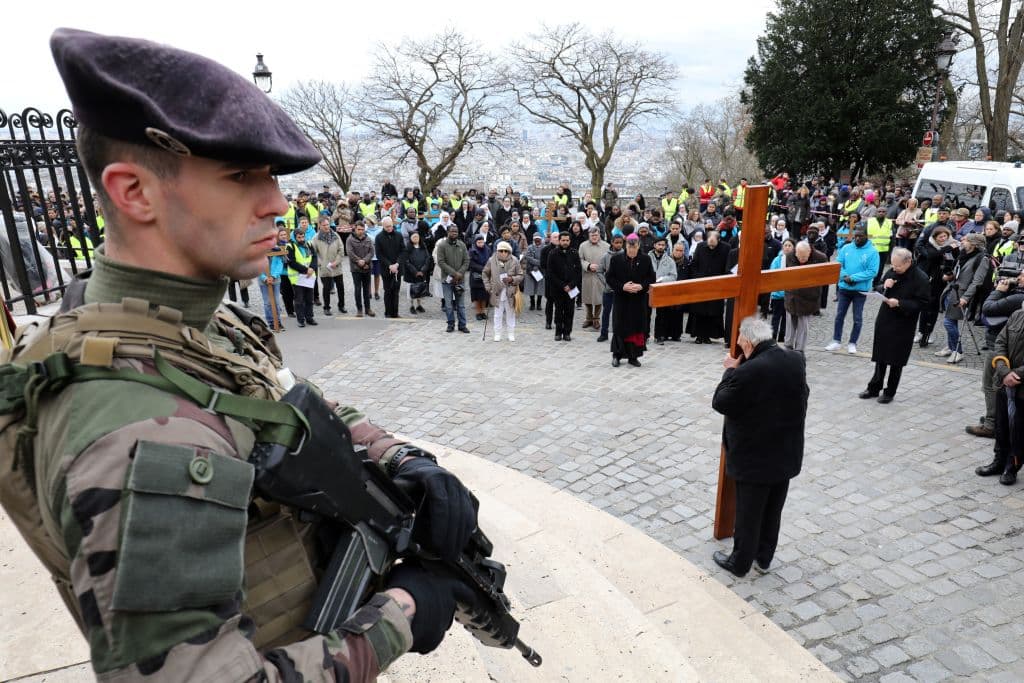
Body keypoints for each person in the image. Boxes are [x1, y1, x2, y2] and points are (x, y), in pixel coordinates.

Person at [2, 28, 476, 681]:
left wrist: (397, 456)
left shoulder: (186, 321)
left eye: (272, 176)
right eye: (240, 176)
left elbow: (283, 399)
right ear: (134, 191)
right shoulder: (138, 432)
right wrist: (399, 615)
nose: (277, 202)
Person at [711, 316, 808, 577]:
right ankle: (764, 558)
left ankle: (739, 562)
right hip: (786, 452)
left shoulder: (748, 372)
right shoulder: (795, 359)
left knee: (749, 513)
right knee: (773, 509)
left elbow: (721, 402)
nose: (739, 344)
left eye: (741, 340)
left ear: (748, 341)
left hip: (755, 458)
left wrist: (730, 370)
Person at [858, 248, 930, 403]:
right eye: (893, 265)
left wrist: (900, 303)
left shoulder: (921, 278)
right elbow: (877, 288)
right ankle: (874, 388)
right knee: (880, 356)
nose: (895, 269)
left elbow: (923, 303)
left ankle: (890, 392)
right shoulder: (892, 271)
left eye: (898, 266)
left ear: (908, 262)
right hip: (885, 318)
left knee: (896, 359)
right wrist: (884, 285)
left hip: (904, 322)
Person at [977, 306, 1024, 485]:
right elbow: (1000, 342)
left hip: (1020, 386)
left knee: (1019, 429)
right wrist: (1004, 372)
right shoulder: (1017, 315)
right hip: (1005, 383)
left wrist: (1017, 375)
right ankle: (998, 461)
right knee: (1002, 425)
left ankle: (1012, 466)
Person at [937, 232, 990, 364]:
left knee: (948, 322)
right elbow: (958, 272)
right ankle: (950, 347)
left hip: (963, 293)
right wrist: (949, 276)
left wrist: (966, 298)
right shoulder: (963, 255)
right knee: (951, 321)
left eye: (965, 239)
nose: (962, 241)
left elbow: (977, 281)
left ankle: (957, 351)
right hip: (952, 290)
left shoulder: (982, 258)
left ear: (973, 243)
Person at [826, 226, 879, 354]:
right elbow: (838, 264)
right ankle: (836, 341)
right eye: (856, 236)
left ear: (866, 236)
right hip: (844, 288)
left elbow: (872, 271)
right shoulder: (846, 248)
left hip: (860, 291)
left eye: (860, 236)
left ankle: (852, 343)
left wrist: (853, 278)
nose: (857, 238)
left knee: (857, 318)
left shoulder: (873, 252)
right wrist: (844, 276)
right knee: (839, 315)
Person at [605, 233, 656, 366]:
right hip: (622, 299)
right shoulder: (616, 260)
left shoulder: (645, 259)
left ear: (638, 246)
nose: (632, 250)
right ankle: (617, 355)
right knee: (619, 327)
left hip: (638, 300)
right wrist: (622, 286)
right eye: (629, 246)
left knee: (636, 328)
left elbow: (651, 278)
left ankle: (633, 356)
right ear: (625, 246)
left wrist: (641, 286)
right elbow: (609, 278)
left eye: (634, 247)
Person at [685, 229, 730, 343]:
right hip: (701, 283)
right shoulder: (700, 246)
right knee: (699, 310)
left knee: (713, 311)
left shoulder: (726, 248)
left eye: (713, 243)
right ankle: (699, 335)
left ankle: (709, 335)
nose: (711, 246)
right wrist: (697, 277)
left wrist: (723, 280)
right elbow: (694, 264)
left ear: (718, 241)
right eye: (709, 243)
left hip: (717, 284)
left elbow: (727, 266)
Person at [784, 241, 827, 353]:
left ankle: (800, 349)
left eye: (804, 257)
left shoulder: (820, 257)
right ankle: (788, 345)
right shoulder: (790, 256)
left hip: (809, 296)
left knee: (803, 324)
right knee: (790, 322)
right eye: (799, 257)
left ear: (809, 252)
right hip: (792, 295)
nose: (801, 260)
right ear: (795, 252)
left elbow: (824, 278)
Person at [482, 240, 523, 341]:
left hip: (510, 291)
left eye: (506, 251)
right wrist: (488, 287)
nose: (503, 253)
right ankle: (497, 334)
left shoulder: (515, 260)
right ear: (497, 251)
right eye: (501, 250)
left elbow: (521, 275)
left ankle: (511, 333)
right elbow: (485, 273)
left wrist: (512, 279)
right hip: (497, 291)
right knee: (497, 314)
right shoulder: (492, 260)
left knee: (510, 314)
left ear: (509, 251)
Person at [547, 231, 583, 341]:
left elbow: (578, 272)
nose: (565, 242)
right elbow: (550, 272)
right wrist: (562, 285)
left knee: (569, 311)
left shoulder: (574, 253)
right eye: (563, 240)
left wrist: (571, 285)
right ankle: (558, 332)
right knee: (558, 310)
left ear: (570, 241)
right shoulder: (553, 253)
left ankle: (567, 332)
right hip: (558, 288)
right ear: (559, 241)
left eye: (567, 240)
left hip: (571, 288)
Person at [436, 223, 470, 333]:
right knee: (449, 304)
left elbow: (466, 260)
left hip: (460, 280)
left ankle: (462, 325)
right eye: (452, 231)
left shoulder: (462, 245)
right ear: (448, 232)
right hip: (447, 280)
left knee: (461, 305)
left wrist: (459, 273)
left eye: (456, 231)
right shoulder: (442, 245)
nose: (454, 233)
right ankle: (450, 324)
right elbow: (441, 262)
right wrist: (453, 273)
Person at [313, 215, 347, 316]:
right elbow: (313, 254)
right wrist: (321, 263)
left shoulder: (336, 235)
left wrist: (336, 262)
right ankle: (326, 307)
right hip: (325, 268)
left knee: (340, 287)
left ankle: (341, 306)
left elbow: (341, 250)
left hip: (336, 267)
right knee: (326, 288)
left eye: (327, 225)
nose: (326, 227)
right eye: (324, 225)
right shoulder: (315, 238)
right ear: (319, 226)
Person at [286, 226, 318, 327]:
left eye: (302, 237)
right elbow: (291, 262)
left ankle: (309, 317)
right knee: (299, 300)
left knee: (309, 298)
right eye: (299, 237)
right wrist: (305, 270)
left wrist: (312, 268)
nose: (301, 239)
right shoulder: (290, 246)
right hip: (297, 277)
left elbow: (314, 257)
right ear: (295, 237)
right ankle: (300, 319)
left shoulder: (308, 244)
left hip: (309, 276)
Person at [579, 226, 609, 331]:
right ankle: (588, 318)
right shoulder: (583, 246)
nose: (594, 237)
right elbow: (580, 259)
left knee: (598, 298)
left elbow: (609, 260)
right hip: (587, 275)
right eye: (592, 235)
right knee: (587, 297)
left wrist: (601, 267)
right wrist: (588, 265)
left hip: (600, 276)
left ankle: (596, 318)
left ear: (599, 234)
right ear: (589, 236)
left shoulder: (606, 246)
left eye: (596, 235)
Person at [596, 233, 624, 343]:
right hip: (608, 290)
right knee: (606, 312)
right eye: (616, 242)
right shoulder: (605, 256)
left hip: (621, 290)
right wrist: (606, 283)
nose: (618, 245)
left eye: (620, 243)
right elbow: (599, 271)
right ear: (612, 242)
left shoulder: (625, 255)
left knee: (620, 313)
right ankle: (604, 333)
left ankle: (619, 333)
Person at [376, 216, 405, 318]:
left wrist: (397, 264)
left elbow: (403, 251)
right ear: (383, 226)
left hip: (397, 268)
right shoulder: (379, 237)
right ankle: (388, 312)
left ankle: (395, 313)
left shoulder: (398, 235)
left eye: (390, 226)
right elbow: (379, 254)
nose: (389, 228)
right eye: (387, 227)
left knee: (396, 291)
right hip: (386, 268)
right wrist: (389, 265)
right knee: (388, 291)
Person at [347, 219, 376, 317]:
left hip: (367, 267)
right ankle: (359, 309)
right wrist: (359, 261)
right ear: (355, 229)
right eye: (359, 229)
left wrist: (365, 261)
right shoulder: (350, 239)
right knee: (358, 289)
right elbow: (350, 253)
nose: (361, 231)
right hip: (356, 268)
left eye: (362, 229)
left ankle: (368, 309)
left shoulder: (368, 239)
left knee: (366, 289)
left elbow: (372, 252)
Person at [768, 239, 795, 342]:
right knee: (776, 317)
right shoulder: (777, 260)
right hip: (777, 294)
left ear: (793, 248)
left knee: (786, 318)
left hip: (789, 294)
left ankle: (783, 336)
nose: (787, 247)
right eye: (785, 245)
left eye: (789, 245)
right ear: (782, 247)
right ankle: (773, 336)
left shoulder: (794, 260)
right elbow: (773, 274)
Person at [403, 230, 432, 315]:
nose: (416, 238)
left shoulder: (423, 246)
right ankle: (411, 306)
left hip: (422, 273)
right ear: (410, 238)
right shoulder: (407, 248)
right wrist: (415, 271)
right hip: (411, 273)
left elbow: (427, 258)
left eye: (417, 237)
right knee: (411, 290)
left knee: (420, 289)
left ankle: (419, 305)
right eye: (414, 237)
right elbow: (407, 261)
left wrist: (423, 270)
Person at [523, 233, 545, 310]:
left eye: (538, 239)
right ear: (533, 239)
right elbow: (528, 257)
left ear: (541, 239)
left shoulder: (544, 248)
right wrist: (536, 264)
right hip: (530, 270)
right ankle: (532, 303)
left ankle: (539, 303)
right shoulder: (530, 247)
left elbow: (544, 258)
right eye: (536, 239)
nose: (537, 240)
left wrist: (538, 265)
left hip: (541, 270)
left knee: (540, 288)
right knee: (530, 287)